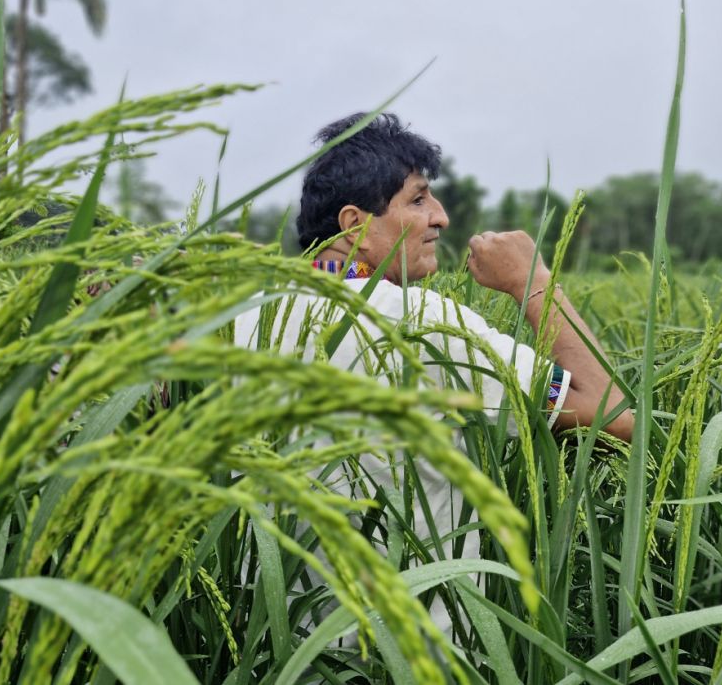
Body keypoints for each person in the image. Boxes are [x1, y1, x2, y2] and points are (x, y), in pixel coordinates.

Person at [234, 112, 634, 637]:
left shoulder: (244, 323)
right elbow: (616, 419)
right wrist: (533, 281)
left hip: (275, 655)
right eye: (418, 199)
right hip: (410, 655)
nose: (441, 218)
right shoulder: (422, 323)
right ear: (354, 223)